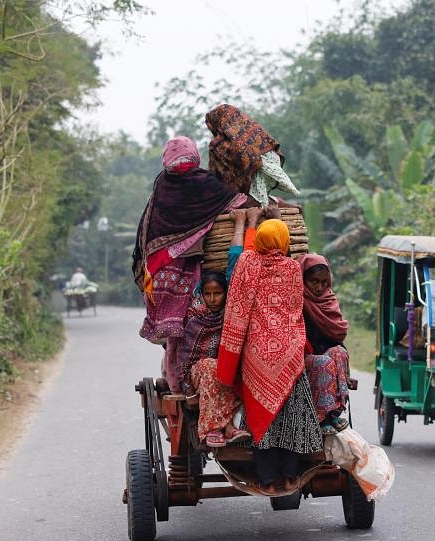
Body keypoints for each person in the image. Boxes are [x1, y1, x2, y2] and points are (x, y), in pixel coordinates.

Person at [217, 218, 323, 494]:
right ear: (284, 241)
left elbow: (237, 308)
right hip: (289, 352)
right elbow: (295, 309)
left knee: (260, 418)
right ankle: (290, 477)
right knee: (289, 416)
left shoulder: (247, 263)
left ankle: (265, 479)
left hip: (256, 356)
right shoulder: (291, 268)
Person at [132, 135, 243, 393]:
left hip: (157, 273)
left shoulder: (161, 185)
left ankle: (178, 385)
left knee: (174, 338)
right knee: (192, 329)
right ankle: (187, 382)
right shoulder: (204, 184)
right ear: (195, 156)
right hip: (183, 274)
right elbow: (236, 199)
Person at [177, 208, 260, 448]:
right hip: (199, 373)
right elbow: (184, 358)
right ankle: (219, 428)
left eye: (218, 293)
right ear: (201, 293)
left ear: (226, 293)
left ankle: (236, 427)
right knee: (212, 366)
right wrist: (188, 391)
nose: (213, 299)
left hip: (228, 369)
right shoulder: (194, 314)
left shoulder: (232, 311)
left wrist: (244, 223)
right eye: (208, 294)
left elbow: (236, 265)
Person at [298, 253, 351, 433]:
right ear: (302, 278)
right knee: (324, 363)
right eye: (314, 281)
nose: (319, 287)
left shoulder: (329, 300)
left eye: (323, 282)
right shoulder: (297, 299)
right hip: (301, 358)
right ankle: (323, 418)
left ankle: (334, 412)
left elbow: (337, 334)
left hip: (323, 353)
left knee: (339, 353)